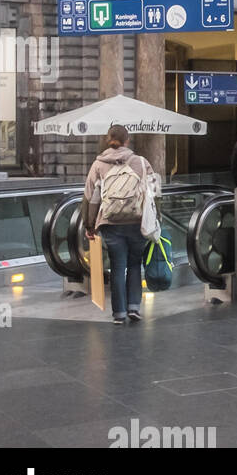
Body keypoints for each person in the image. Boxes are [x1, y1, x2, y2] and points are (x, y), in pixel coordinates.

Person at [83, 125, 157, 325]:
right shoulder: (141, 162)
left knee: (117, 266)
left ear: (109, 140)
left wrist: (89, 226)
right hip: (137, 221)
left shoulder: (98, 165)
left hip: (110, 223)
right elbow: (155, 192)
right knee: (134, 264)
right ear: (127, 140)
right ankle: (134, 307)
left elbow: (91, 197)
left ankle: (119, 314)